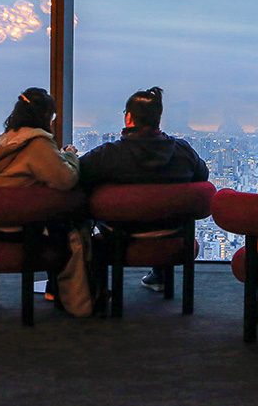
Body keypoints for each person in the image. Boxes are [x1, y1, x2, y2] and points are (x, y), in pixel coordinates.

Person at [79, 87, 209, 291]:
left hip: (118, 242)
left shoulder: (108, 155)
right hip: (173, 239)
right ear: (158, 118)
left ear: (129, 118)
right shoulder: (183, 152)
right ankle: (160, 275)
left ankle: (94, 291)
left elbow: (76, 176)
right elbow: (203, 177)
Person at [0, 87, 93, 316]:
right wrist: (70, 154)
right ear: (45, 117)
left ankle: (56, 289)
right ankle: (74, 299)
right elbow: (66, 179)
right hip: (23, 228)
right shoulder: (36, 144)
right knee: (71, 227)